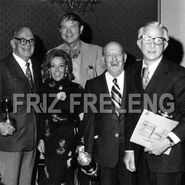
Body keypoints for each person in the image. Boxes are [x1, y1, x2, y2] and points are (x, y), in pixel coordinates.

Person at [124, 22, 185, 185]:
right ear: (139, 42)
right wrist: (129, 148)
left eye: (158, 40)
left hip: (168, 159)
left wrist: (168, 141)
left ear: (165, 45)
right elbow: (129, 112)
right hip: (139, 155)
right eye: (147, 39)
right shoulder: (131, 70)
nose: (152, 45)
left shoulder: (178, 74)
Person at [80, 41, 132, 185]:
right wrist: (88, 154)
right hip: (103, 155)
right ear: (103, 59)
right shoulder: (92, 85)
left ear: (125, 57)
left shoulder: (136, 82)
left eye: (118, 55)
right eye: (109, 55)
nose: (114, 60)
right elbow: (89, 121)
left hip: (132, 153)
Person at [0, 26, 42, 185]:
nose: (28, 44)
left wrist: (41, 136)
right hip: (10, 141)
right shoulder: (2, 67)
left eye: (31, 41)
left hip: (31, 141)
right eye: (22, 40)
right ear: (13, 43)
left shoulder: (37, 67)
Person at [37, 49, 83, 185]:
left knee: (67, 178)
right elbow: (39, 116)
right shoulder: (42, 89)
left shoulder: (76, 89)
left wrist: (81, 143)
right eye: (53, 66)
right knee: (50, 178)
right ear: (48, 69)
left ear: (67, 68)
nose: (57, 70)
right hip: (48, 141)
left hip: (69, 141)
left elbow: (81, 118)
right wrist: (40, 138)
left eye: (61, 66)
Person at [50, 12, 106, 88]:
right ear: (59, 30)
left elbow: (103, 84)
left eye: (73, 27)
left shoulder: (97, 52)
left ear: (81, 29)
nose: (68, 32)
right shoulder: (51, 54)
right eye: (64, 27)